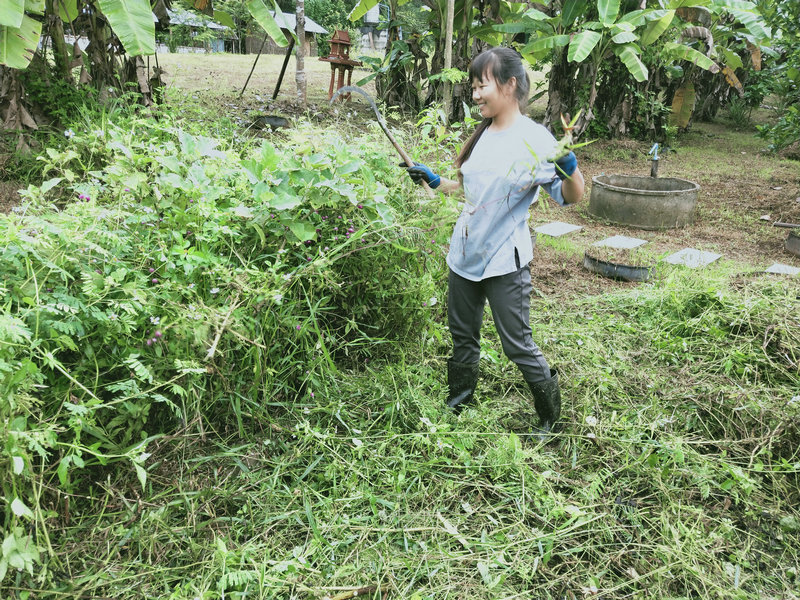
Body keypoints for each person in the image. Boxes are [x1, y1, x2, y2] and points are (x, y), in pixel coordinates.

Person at [403, 47, 585, 439]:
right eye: (472, 87)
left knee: (517, 343)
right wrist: (435, 180)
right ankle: (458, 403)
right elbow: (468, 192)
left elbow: (571, 197)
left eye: (481, 85)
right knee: (462, 335)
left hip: (504, 260)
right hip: (464, 253)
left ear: (509, 84)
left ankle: (549, 418)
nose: (475, 94)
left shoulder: (536, 139)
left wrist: (570, 169)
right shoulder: (482, 135)